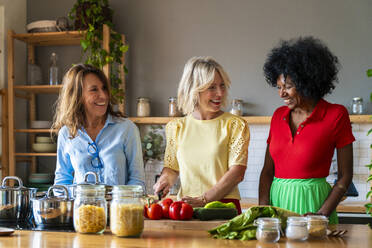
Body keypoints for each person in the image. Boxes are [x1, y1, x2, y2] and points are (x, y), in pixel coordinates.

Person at [259, 37, 355, 224]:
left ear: (307, 82)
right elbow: (267, 171)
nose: (281, 94)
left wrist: (321, 214)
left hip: (315, 205)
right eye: (278, 87)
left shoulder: (336, 114)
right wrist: (263, 210)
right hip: (277, 206)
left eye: (288, 87)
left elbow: (345, 176)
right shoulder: (278, 116)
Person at [153, 56, 250, 213]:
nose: (220, 93)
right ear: (193, 89)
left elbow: (237, 173)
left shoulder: (235, 125)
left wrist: (204, 199)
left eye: (222, 86)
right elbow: (172, 168)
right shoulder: (176, 127)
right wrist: (165, 181)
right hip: (185, 207)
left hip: (223, 207)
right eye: (211, 87)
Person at [53, 64, 145, 189]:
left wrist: (120, 204)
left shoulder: (127, 129)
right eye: (94, 89)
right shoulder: (66, 133)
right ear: (77, 96)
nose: (103, 96)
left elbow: (137, 181)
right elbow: (62, 181)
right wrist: (74, 204)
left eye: (104, 88)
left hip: (119, 208)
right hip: (81, 208)